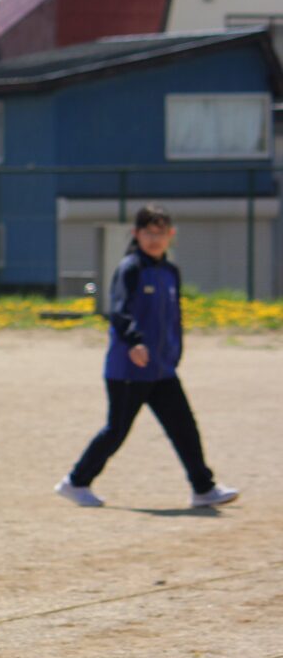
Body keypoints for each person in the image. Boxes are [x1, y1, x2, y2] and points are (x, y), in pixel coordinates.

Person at [56, 205, 239, 510]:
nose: (155, 239)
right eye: (148, 232)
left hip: (161, 369)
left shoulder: (170, 272)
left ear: (171, 235)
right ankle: (75, 482)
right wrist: (135, 342)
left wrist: (175, 352)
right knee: (116, 430)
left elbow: (174, 318)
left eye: (161, 232)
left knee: (184, 427)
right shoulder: (131, 268)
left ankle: (203, 488)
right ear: (136, 234)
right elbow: (119, 310)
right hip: (129, 368)